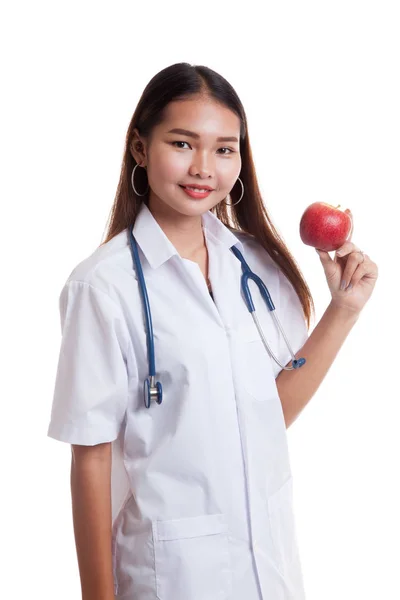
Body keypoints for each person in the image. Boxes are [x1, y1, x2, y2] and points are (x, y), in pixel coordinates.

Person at [47, 62, 378, 600]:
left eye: (225, 149)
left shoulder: (255, 264)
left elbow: (268, 413)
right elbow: (91, 457)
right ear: (139, 148)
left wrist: (343, 309)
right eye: (183, 143)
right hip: (171, 577)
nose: (204, 167)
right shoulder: (102, 287)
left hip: (270, 569)